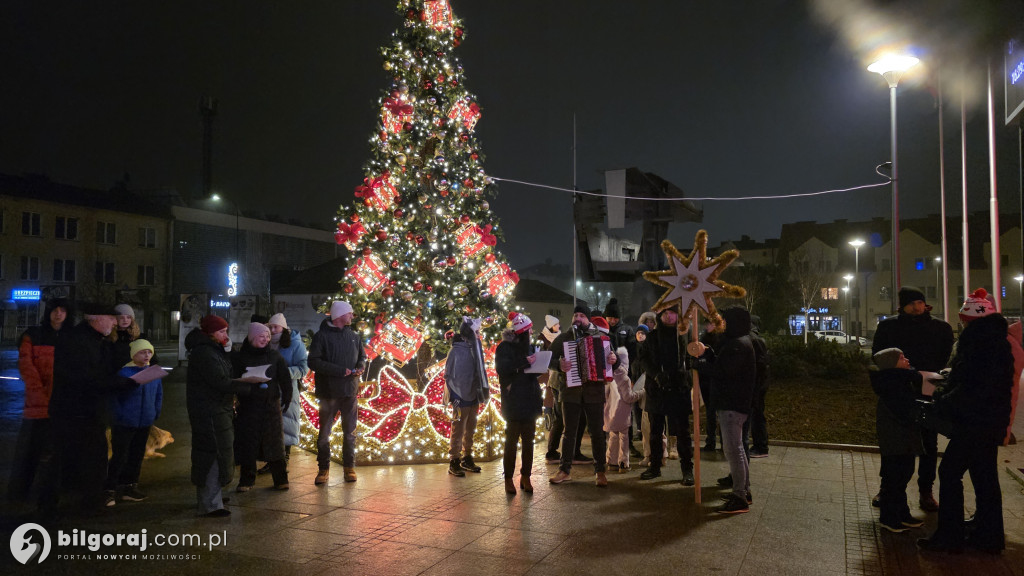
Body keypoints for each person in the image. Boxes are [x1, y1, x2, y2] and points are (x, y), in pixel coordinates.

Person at [918, 289, 1014, 554]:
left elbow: (971, 387)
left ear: (970, 320)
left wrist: (942, 400)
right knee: (985, 476)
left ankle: (950, 536)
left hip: (975, 422)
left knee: (950, 472)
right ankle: (988, 535)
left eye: (963, 320)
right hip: (989, 421)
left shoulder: (978, 344)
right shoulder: (996, 340)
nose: (961, 325)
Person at [49, 302, 141, 514]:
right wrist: (121, 383)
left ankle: (84, 501)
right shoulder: (78, 341)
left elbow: (105, 370)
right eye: (111, 318)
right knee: (83, 460)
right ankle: (74, 505)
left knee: (90, 459)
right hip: (77, 412)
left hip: (88, 411)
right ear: (95, 318)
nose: (115, 323)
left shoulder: (97, 340)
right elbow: (87, 379)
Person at [871, 286, 954, 512]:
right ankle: (887, 488)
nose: (916, 307)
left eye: (919, 302)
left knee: (929, 443)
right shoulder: (889, 327)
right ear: (902, 306)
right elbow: (879, 356)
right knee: (894, 444)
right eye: (911, 303)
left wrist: (928, 375)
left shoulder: (940, 328)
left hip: (927, 387)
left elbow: (944, 355)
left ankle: (926, 491)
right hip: (898, 390)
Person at [8, 298, 70, 514]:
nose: (58, 314)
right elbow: (26, 365)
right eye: (55, 310)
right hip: (38, 404)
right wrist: (38, 392)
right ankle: (23, 493)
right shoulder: (34, 335)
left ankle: (49, 495)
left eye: (63, 310)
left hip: (61, 404)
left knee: (55, 452)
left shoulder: (70, 337)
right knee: (33, 450)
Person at [185, 314, 248, 517]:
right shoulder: (204, 352)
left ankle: (214, 496)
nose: (225, 335)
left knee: (220, 452)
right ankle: (210, 503)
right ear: (210, 333)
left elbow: (225, 373)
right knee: (212, 453)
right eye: (221, 331)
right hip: (209, 411)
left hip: (217, 409)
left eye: (226, 330)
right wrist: (246, 385)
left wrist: (228, 351)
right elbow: (219, 381)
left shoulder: (213, 349)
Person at [548, 305, 617, 486]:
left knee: (597, 433)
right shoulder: (564, 338)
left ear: (588, 319)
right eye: (575, 315)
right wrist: (558, 365)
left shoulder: (601, 338)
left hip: (594, 392)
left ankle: (600, 471)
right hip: (570, 392)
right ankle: (564, 470)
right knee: (569, 432)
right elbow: (548, 359)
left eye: (582, 316)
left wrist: (614, 359)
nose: (578, 318)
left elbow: (613, 361)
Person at [697, 306, 756, 514]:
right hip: (734, 403)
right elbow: (724, 365)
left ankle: (739, 496)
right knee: (737, 449)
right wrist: (710, 354)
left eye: (726, 320)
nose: (723, 324)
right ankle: (744, 491)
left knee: (734, 451)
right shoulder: (738, 342)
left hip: (732, 404)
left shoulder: (738, 345)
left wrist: (699, 365)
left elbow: (723, 371)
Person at [308, 301, 366, 485]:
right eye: (350, 313)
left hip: (349, 392)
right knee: (325, 433)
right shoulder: (321, 336)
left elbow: (362, 356)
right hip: (329, 392)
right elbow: (313, 362)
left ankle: (349, 467)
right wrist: (339, 371)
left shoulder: (354, 336)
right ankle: (323, 468)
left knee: (350, 433)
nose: (352, 316)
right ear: (340, 315)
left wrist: (360, 366)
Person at [869, 348, 925, 533]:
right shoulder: (892, 384)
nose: (907, 359)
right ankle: (890, 517)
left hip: (903, 439)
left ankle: (902, 514)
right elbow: (904, 411)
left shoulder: (901, 379)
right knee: (895, 477)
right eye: (901, 358)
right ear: (892, 364)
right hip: (896, 440)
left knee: (903, 475)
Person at [636, 307, 694, 486]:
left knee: (683, 432)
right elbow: (643, 358)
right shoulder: (652, 337)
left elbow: (691, 357)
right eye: (665, 313)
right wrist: (655, 374)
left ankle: (687, 469)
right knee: (655, 431)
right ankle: (655, 466)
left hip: (679, 389)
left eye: (672, 313)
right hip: (657, 390)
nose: (669, 316)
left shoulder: (684, 335)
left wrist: (687, 376)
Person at [232, 322, 292, 491]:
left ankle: (280, 479)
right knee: (248, 443)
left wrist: (287, 396)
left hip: (270, 406)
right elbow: (233, 379)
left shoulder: (274, 356)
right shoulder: (241, 357)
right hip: (248, 406)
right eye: (261, 336)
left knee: (275, 443)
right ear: (252, 338)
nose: (265, 339)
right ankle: (246, 480)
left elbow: (284, 378)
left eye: (267, 337)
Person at [105, 339, 163, 506]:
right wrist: (119, 415)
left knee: (136, 455)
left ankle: (130, 487)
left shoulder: (153, 373)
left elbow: (158, 394)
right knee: (120, 456)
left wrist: (155, 411)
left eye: (149, 352)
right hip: (125, 421)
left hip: (144, 421)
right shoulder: (124, 374)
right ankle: (110, 489)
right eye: (142, 352)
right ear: (133, 354)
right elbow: (115, 397)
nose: (146, 355)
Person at [495, 312, 543, 494]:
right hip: (514, 400)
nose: (531, 333)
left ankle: (526, 476)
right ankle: (508, 478)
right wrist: (524, 362)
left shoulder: (529, 347)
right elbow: (502, 368)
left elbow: (530, 371)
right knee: (511, 442)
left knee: (529, 442)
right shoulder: (504, 347)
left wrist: (539, 365)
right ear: (522, 332)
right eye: (529, 330)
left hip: (530, 399)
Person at [443, 317, 488, 477]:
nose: (479, 335)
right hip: (459, 395)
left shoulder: (475, 348)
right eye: (476, 332)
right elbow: (448, 375)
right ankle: (454, 459)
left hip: (473, 393)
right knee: (458, 429)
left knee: (470, 428)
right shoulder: (456, 351)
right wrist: (453, 395)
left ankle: (467, 456)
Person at [264, 313, 309, 473]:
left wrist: (283, 372)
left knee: (287, 424)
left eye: (275, 327)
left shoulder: (295, 344)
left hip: (287, 389)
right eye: (270, 327)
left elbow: (303, 368)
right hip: (269, 389)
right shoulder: (266, 342)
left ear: (283, 327)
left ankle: (283, 460)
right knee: (271, 426)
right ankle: (272, 460)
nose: (272, 330)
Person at [605, 346, 644, 472]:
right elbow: (628, 397)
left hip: (611, 412)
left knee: (613, 436)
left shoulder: (609, 375)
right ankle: (623, 463)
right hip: (622, 413)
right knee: (624, 438)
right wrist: (641, 392)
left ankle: (611, 462)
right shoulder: (625, 378)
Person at [541, 315, 565, 464]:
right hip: (555, 381)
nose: (558, 326)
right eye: (556, 324)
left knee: (559, 416)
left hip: (556, 380)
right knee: (559, 417)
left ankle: (553, 450)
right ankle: (551, 451)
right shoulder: (555, 340)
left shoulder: (561, 337)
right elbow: (546, 359)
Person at [746, 315, 771, 457]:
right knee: (757, 415)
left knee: (757, 416)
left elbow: (759, 365)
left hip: (756, 386)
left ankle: (761, 447)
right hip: (759, 385)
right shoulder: (757, 339)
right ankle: (760, 445)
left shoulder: (753, 340)